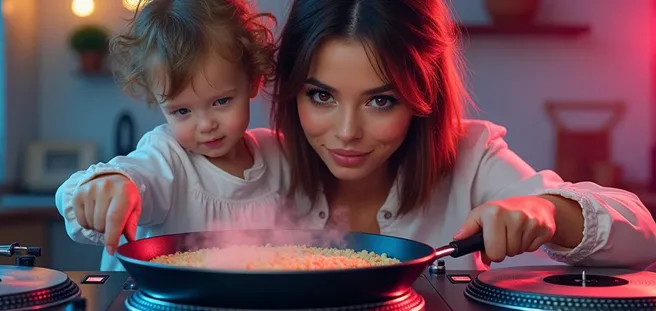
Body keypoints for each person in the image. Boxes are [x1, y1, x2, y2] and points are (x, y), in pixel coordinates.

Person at [271, 0, 656, 270]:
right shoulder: (252, 167)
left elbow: (644, 237)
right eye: (322, 96)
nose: (347, 132)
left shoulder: (471, 157)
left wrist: (550, 211)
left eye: (381, 101)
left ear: (425, 95)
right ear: (292, 91)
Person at [55, 0, 283, 271]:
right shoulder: (167, 155)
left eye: (221, 101)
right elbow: (137, 172)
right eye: (182, 110)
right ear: (157, 100)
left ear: (253, 82)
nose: (205, 124)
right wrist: (110, 183)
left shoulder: (278, 152)